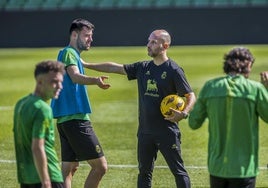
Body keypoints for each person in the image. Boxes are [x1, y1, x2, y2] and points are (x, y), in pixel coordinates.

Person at [83, 29, 196, 188]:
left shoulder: (174, 70)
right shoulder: (143, 67)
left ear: (165, 46)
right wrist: (86, 65)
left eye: (153, 42)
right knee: (144, 172)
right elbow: (115, 68)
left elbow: (190, 95)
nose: (148, 45)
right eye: (149, 41)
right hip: (145, 132)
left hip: (167, 131)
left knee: (178, 171)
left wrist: (183, 114)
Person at [188, 47, 268, 188]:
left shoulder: (209, 87)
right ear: (248, 64)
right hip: (244, 168)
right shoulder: (255, 89)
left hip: (217, 167)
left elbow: (194, 122)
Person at [50, 18, 110, 188]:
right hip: (76, 120)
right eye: (87, 35)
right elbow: (75, 76)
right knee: (100, 167)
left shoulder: (71, 54)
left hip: (65, 121)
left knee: (69, 168)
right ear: (74, 35)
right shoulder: (69, 53)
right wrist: (95, 81)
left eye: (91, 35)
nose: (90, 39)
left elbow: (85, 66)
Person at [13, 60, 65, 188]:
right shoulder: (43, 109)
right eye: (54, 81)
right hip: (48, 175)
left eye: (60, 82)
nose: (60, 86)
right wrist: (46, 181)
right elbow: (37, 146)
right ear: (40, 82)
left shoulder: (21, 104)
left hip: (26, 177)